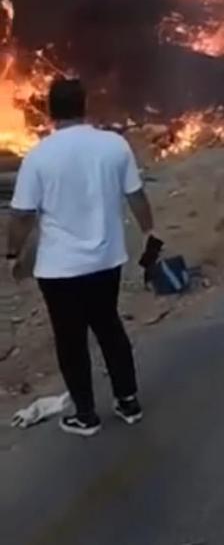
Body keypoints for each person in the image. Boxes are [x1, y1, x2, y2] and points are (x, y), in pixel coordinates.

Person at [6, 78, 155, 437]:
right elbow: (136, 197)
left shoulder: (39, 156)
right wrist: (151, 232)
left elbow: (23, 215)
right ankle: (128, 401)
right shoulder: (113, 145)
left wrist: (13, 252)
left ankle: (85, 416)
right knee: (109, 327)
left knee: (70, 340)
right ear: (84, 106)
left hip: (59, 270)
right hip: (106, 261)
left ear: (49, 110)